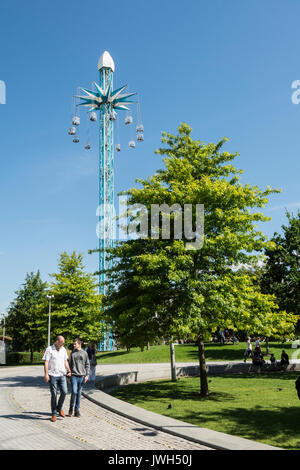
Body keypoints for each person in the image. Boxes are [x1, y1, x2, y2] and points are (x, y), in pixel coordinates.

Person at [43, 335, 71, 422]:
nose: (63, 344)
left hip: (62, 374)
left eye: (63, 343)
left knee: (64, 392)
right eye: (61, 343)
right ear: (57, 341)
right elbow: (46, 362)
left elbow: (65, 361)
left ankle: (59, 408)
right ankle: (54, 413)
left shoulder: (63, 349)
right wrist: (46, 374)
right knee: (54, 394)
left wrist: (69, 370)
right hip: (53, 375)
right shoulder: (49, 349)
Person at [68, 338, 90, 417]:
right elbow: (69, 364)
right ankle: (71, 407)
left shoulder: (84, 353)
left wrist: (87, 375)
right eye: (73, 344)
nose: (74, 345)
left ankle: (76, 410)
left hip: (81, 376)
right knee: (74, 391)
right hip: (74, 376)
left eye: (75, 344)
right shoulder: (72, 353)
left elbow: (87, 365)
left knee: (79, 394)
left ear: (79, 344)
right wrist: (68, 374)